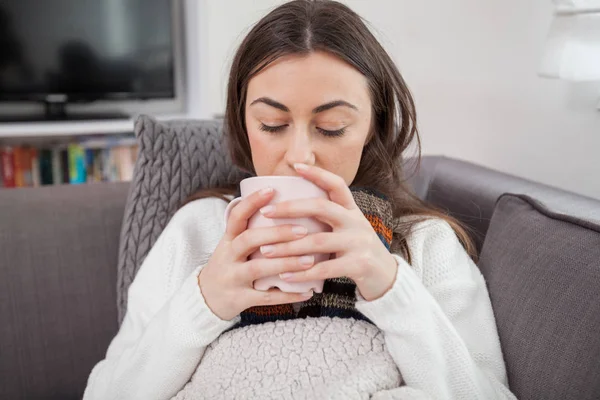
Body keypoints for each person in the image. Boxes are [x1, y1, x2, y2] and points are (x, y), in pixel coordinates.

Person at [84, 1, 516, 399]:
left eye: (331, 127)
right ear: (243, 122)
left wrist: (390, 286)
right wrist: (204, 302)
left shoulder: (424, 243)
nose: (299, 157)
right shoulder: (196, 230)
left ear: (372, 126)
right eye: (272, 124)